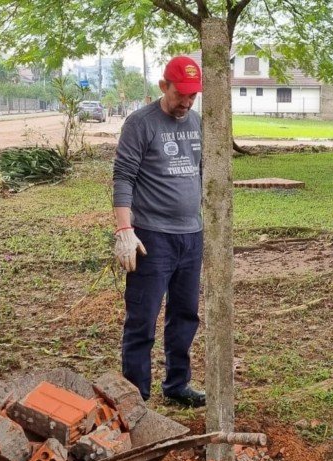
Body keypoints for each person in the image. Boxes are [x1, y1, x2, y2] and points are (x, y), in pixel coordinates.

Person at [112, 55, 206, 408]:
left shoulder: (196, 121)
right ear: (163, 86)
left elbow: (202, 171)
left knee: (185, 314)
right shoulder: (141, 123)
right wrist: (125, 230)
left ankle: (177, 384)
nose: (185, 103)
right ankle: (135, 397)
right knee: (143, 318)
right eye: (180, 94)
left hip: (191, 237)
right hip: (151, 238)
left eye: (192, 96)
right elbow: (123, 177)